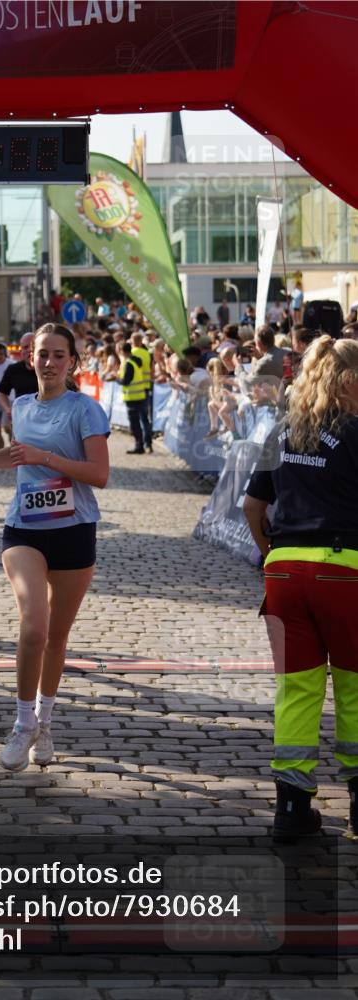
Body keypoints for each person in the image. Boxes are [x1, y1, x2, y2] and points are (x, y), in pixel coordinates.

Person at [0, 323, 110, 771]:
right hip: (25, 529)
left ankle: (45, 722)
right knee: (34, 625)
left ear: (72, 362)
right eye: (42, 354)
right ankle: (21, 723)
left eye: (59, 355)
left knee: (56, 637)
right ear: (29, 358)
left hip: (75, 530)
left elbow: (99, 474)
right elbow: (16, 457)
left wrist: (47, 459)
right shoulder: (22, 404)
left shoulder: (86, 410)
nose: (50, 362)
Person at [243, 335, 358, 842]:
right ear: (350, 381)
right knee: (355, 687)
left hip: (285, 570)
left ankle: (291, 806)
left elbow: (252, 507)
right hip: (344, 567)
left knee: (297, 689)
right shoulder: (356, 432)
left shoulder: (284, 431)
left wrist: (273, 554)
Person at [117, 342, 152, 454]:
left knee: (135, 424)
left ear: (122, 351)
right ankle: (147, 444)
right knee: (144, 420)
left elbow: (126, 381)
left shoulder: (128, 363)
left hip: (132, 397)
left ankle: (139, 445)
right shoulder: (136, 361)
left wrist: (116, 378)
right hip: (140, 395)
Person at [0, 332, 38, 421]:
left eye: (33, 346)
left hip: (46, 420)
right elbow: (1, 393)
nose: (30, 350)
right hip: (21, 420)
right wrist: (8, 410)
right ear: (21, 351)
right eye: (25, 347)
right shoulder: (13, 369)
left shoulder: (49, 368)